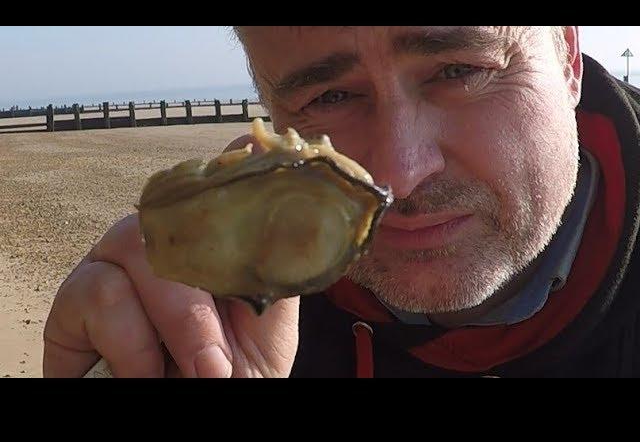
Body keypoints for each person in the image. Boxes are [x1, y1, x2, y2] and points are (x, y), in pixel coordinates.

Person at [43, 27, 640, 377]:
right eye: (330, 96)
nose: (398, 175)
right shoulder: (240, 319)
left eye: (458, 69)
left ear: (566, 56)